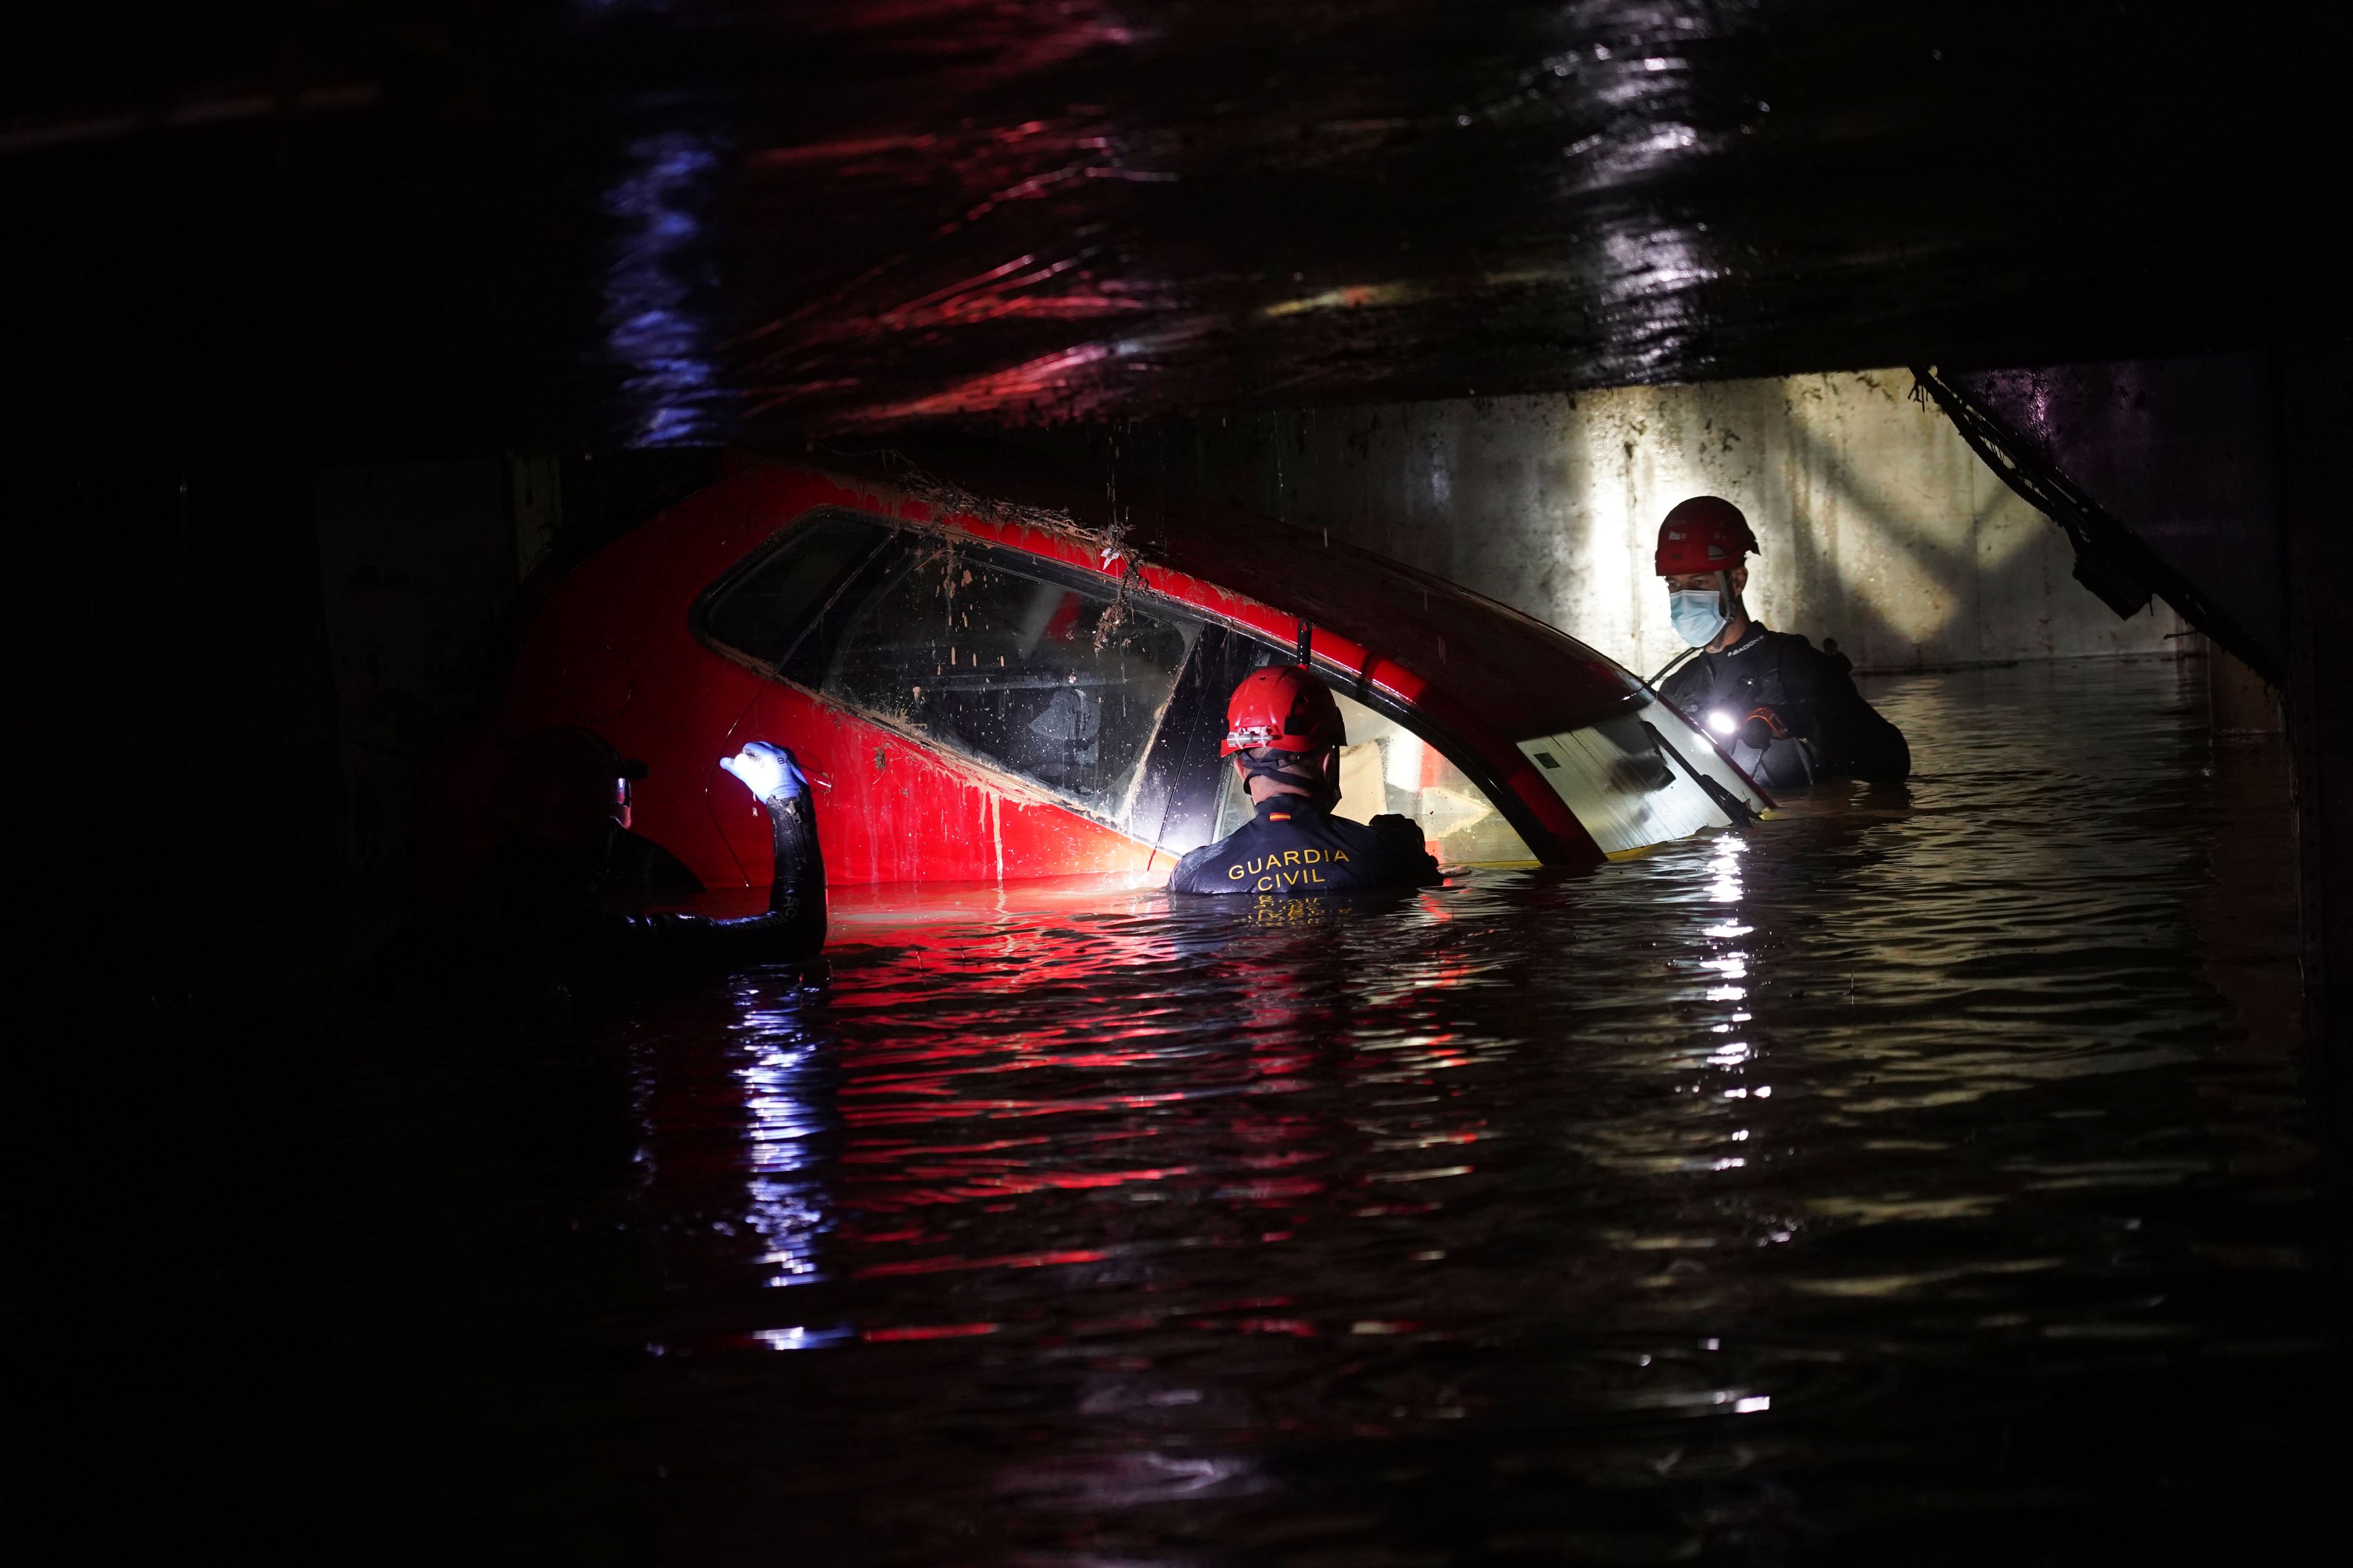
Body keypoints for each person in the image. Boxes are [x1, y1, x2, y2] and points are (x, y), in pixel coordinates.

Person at [447, 726, 825, 994]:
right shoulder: (607, 945)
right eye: (613, 825)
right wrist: (789, 804)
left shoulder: (446, 938)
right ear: (596, 831)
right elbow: (794, 932)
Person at [1653, 496, 1909, 789]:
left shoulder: (1794, 666)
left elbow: (1894, 765)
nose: (1684, 597)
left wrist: (1802, 721)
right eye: (1674, 585)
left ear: (1737, 582)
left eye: (1700, 583)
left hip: (1802, 831)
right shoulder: (1678, 688)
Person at [1168, 665, 1441, 896]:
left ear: (1241, 769)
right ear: (1328, 763)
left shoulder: (1194, 877)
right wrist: (1407, 843)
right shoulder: (1392, 854)